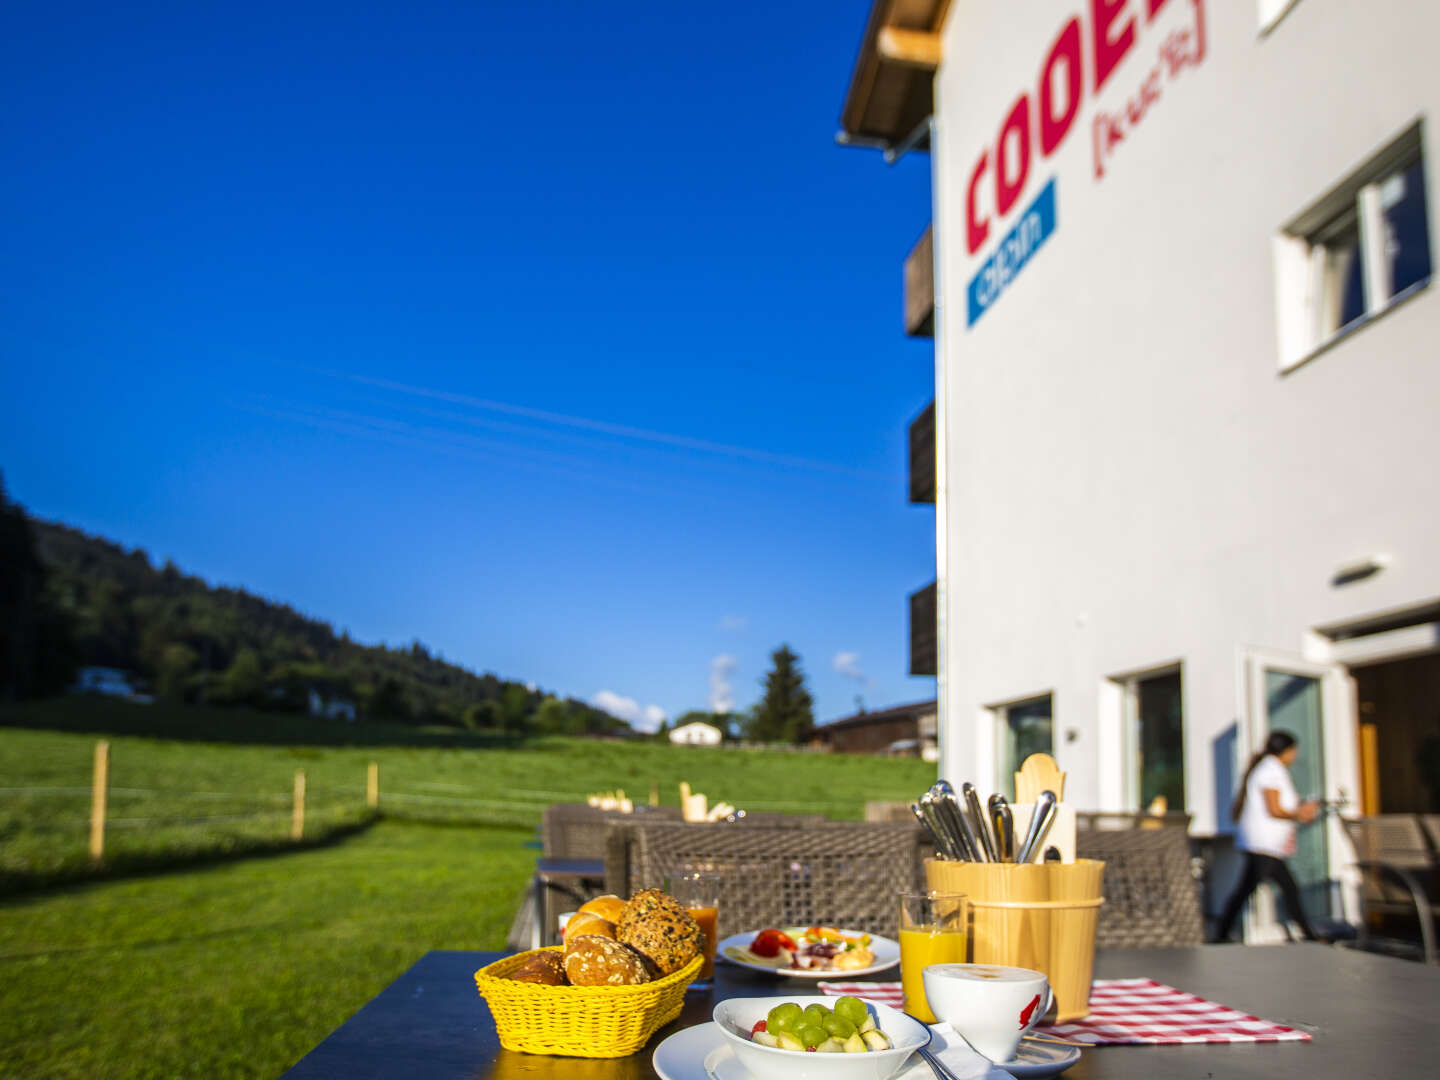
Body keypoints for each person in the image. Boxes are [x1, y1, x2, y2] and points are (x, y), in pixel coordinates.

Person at [1214, 730, 1325, 942]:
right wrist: (1300, 812)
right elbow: (1274, 808)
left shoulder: (1268, 768)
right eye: (1294, 750)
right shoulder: (1271, 771)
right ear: (1287, 750)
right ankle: (1309, 936)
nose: (1295, 755)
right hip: (1264, 844)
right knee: (1285, 888)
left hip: (1263, 843)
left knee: (1250, 889)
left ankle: (1220, 935)